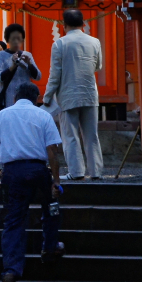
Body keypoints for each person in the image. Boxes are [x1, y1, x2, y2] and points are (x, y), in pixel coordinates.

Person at [0, 82, 64, 282]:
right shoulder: (43, 116)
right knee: (52, 208)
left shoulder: (2, 116)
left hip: (12, 173)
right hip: (39, 171)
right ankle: (49, 248)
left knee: (13, 220)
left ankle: (10, 271)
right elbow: (52, 152)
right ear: (37, 98)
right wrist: (55, 181)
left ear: (15, 98)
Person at [42, 9, 104, 181]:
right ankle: (96, 171)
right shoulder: (95, 42)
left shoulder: (60, 44)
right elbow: (98, 66)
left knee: (71, 135)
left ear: (64, 25)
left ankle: (76, 172)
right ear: (83, 23)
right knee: (92, 135)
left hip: (68, 94)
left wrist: (47, 97)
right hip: (90, 93)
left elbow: (55, 74)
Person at [0, 24, 41, 108]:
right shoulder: (1, 55)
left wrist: (29, 64)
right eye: (13, 39)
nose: (16, 42)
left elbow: (38, 76)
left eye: (19, 39)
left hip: (26, 98)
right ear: (7, 40)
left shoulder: (27, 55)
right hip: (8, 98)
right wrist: (12, 66)